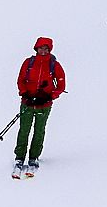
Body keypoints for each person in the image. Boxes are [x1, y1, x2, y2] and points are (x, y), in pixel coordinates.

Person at [13, 36, 67, 176]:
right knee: (24, 130)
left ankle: (33, 158)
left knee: (39, 131)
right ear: (36, 48)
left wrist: (49, 96)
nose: (43, 50)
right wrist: (25, 94)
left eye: (46, 48)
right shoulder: (29, 62)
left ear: (49, 50)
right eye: (41, 48)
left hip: (44, 105)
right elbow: (21, 80)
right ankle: (19, 158)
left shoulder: (54, 65)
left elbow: (61, 85)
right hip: (28, 103)